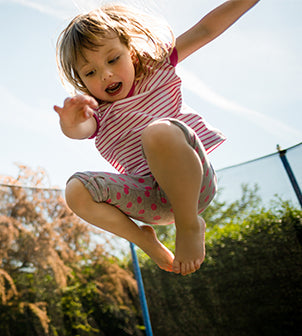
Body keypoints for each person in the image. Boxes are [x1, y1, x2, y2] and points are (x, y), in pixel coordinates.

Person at [53, 0, 259, 275]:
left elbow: (205, 30)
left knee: (158, 132)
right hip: (149, 201)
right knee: (76, 190)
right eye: (91, 72)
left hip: (193, 186)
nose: (106, 74)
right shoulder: (96, 112)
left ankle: (189, 225)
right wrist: (70, 122)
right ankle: (144, 240)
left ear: (133, 55)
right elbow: (80, 131)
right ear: (81, 80)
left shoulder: (157, 70)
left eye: (113, 59)